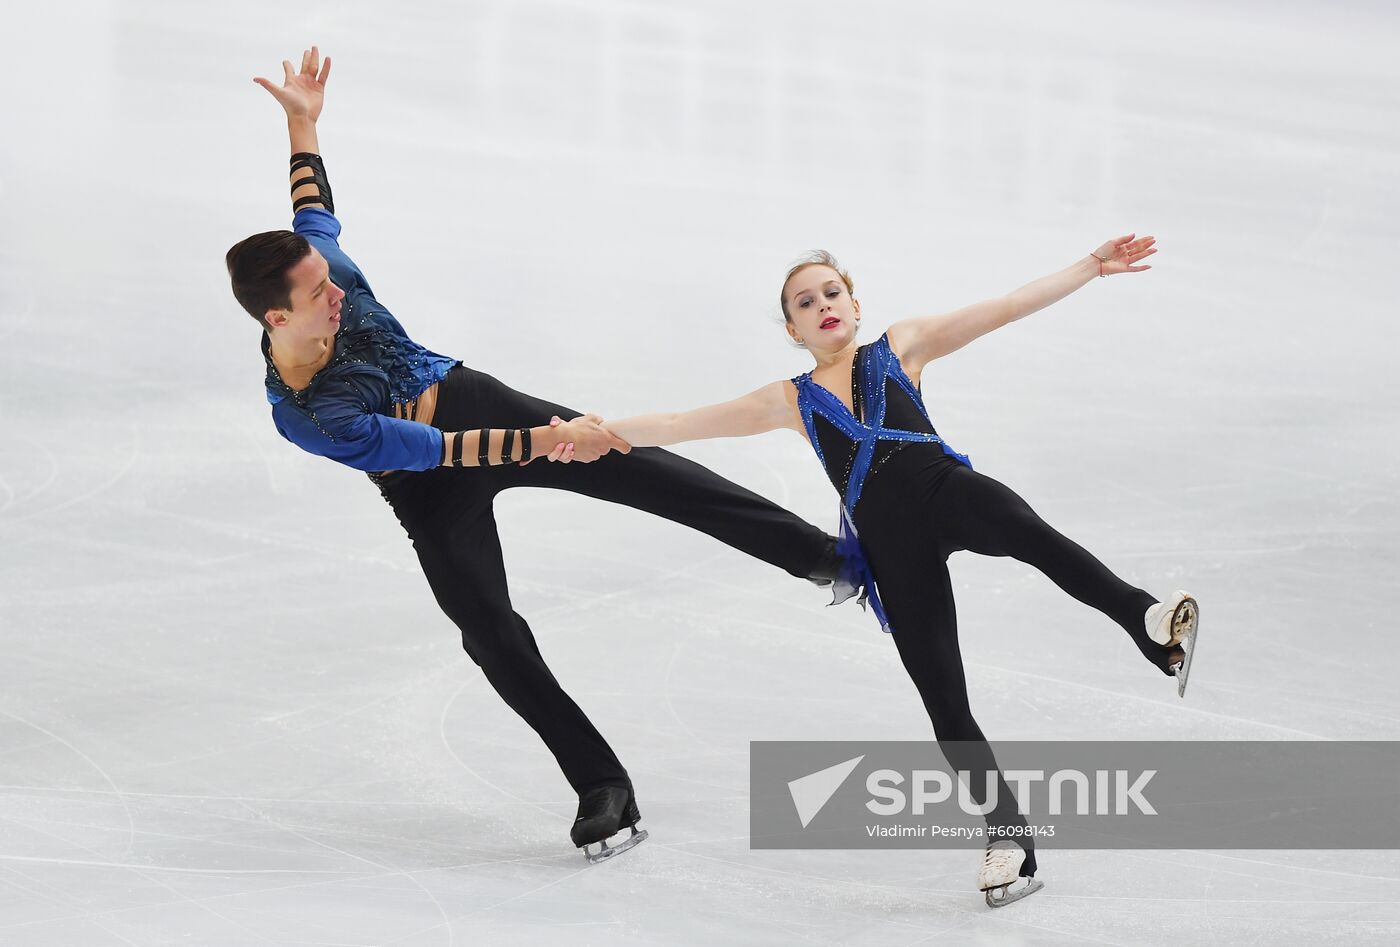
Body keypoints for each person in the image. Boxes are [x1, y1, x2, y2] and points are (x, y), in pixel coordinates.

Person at [225, 48, 843, 864]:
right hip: (428, 480)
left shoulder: (322, 266)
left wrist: (302, 122)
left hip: (477, 399)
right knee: (488, 632)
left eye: (328, 279)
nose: (336, 289)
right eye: (317, 295)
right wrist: (554, 438)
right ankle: (601, 784)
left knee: (647, 472)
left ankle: (820, 557)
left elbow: (314, 211)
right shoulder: (308, 414)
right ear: (277, 321)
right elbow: (438, 453)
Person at [603, 242, 1201, 907]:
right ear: (793, 330)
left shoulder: (902, 345)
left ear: (855, 305)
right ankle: (1008, 834)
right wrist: (597, 432)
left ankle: (1146, 620)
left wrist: (1089, 267)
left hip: (949, 490)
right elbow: (681, 422)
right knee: (945, 700)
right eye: (806, 302)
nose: (822, 305)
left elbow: (1004, 307)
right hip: (893, 552)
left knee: (1037, 538)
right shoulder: (788, 400)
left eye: (832, 293)